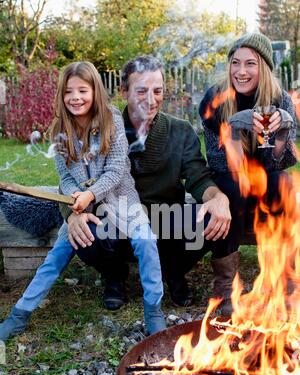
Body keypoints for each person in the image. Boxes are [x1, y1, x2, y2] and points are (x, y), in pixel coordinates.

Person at [0, 61, 166, 341]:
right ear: (62, 96)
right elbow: (64, 177)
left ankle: (153, 309)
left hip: (120, 198)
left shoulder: (112, 120)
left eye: (82, 90)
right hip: (81, 206)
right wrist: (75, 207)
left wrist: (92, 193)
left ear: (95, 92)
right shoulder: (59, 130)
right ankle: (19, 314)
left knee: (146, 241)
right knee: (56, 257)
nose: (75, 97)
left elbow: (116, 169)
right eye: (69, 92)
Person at [62, 56, 235, 315]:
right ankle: (115, 276)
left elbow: (198, 177)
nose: (151, 100)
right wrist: (71, 215)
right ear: (124, 91)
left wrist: (217, 197)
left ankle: (173, 272)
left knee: (215, 215)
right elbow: (72, 180)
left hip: (167, 224)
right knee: (84, 232)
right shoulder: (101, 129)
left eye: (158, 91)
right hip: (117, 224)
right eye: (141, 91)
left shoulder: (180, 130)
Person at [199, 32, 297, 303]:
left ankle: (283, 277)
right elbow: (218, 163)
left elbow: (282, 163)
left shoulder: (278, 100)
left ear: (263, 66)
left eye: (250, 63)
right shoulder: (216, 100)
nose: (241, 71)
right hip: (230, 174)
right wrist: (233, 133)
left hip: (266, 174)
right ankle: (225, 287)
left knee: (284, 184)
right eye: (235, 63)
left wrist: (278, 137)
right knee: (233, 191)